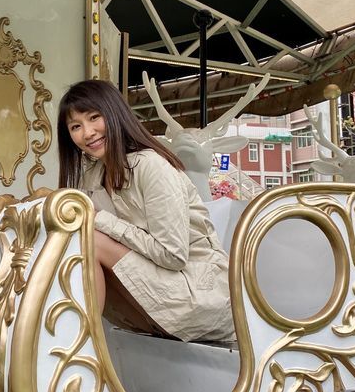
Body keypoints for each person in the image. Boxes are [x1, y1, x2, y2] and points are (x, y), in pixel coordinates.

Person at [58, 79, 234, 343]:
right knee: (70, 237)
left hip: (200, 293)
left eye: (95, 117)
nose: (88, 132)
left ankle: (80, 347)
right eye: (76, 126)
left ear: (115, 114)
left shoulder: (151, 166)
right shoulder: (92, 179)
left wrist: (100, 220)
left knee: (89, 238)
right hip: (155, 297)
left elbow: (173, 255)